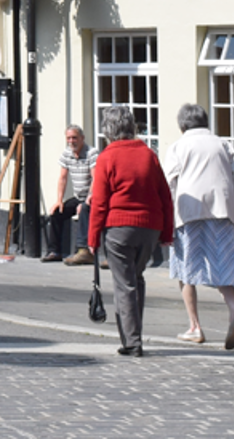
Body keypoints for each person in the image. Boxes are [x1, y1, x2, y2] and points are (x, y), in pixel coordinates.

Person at [86, 105, 174, 357]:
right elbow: (165, 196)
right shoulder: (149, 154)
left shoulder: (108, 156)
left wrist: (92, 239)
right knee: (136, 279)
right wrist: (166, 233)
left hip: (119, 228)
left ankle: (133, 342)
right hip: (149, 227)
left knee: (125, 284)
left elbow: (100, 202)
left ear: (108, 130)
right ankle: (131, 336)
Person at [163, 103, 234, 349]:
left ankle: (195, 327)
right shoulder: (223, 145)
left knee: (185, 271)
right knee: (224, 265)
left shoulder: (178, 147)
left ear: (182, 125)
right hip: (223, 212)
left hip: (188, 213)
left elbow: (170, 185)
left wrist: (167, 223)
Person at [46, 125, 98, 264]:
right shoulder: (67, 154)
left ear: (82, 138)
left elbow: (96, 178)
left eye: (74, 138)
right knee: (56, 212)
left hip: (93, 196)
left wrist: (88, 199)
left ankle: (83, 251)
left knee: (83, 210)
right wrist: (59, 200)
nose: (71, 141)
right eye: (68, 138)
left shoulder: (91, 153)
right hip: (78, 196)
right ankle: (54, 251)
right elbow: (63, 177)